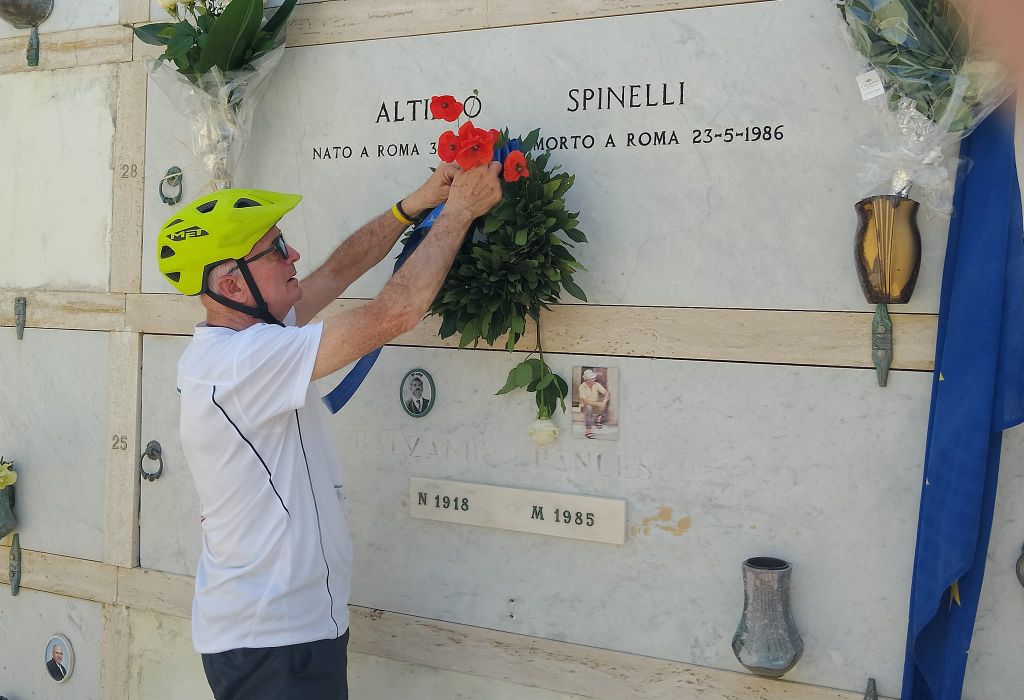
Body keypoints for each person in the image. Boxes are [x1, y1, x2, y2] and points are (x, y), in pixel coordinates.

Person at [157, 160, 502, 700]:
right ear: (231, 283)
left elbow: (339, 271)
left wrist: (412, 206)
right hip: (272, 640)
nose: (293, 254)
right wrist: (459, 212)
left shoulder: (251, 340)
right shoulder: (242, 362)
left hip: (287, 631)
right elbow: (395, 313)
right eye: (276, 250)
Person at [578, 369, 610, 439]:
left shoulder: (596, 384)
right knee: (589, 408)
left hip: (595, 404)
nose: (594, 379)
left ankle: (598, 420)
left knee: (605, 400)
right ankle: (588, 430)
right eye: (592, 378)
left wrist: (604, 402)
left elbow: (606, 393)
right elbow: (585, 402)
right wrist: (598, 404)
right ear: (588, 380)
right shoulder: (581, 387)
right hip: (586, 405)